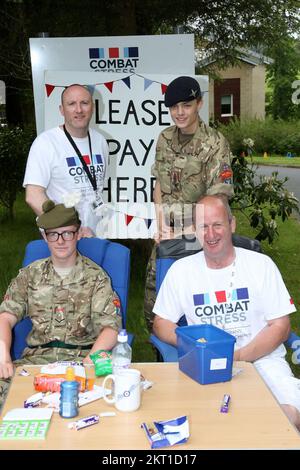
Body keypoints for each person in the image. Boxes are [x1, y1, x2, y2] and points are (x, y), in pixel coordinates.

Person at [153, 194, 300, 430]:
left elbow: (281, 326)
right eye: (203, 227)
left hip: (263, 360)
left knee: (288, 417)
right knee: (203, 427)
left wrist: (239, 356)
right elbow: (161, 323)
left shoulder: (261, 265)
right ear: (195, 230)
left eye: (217, 225)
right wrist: (194, 343)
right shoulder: (181, 271)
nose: (211, 235)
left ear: (231, 224)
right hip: (203, 364)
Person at [0, 200, 121, 411]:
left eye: (67, 233)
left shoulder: (96, 277)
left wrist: (92, 360)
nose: (61, 241)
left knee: (108, 403)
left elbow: (111, 327)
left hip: (82, 362)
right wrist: (3, 356)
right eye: (53, 234)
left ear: (77, 234)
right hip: (35, 364)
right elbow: (5, 317)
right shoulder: (30, 275)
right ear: (44, 237)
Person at [144, 76, 234, 332]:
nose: (179, 112)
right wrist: (161, 225)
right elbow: (159, 185)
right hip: (165, 239)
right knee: (155, 310)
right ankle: (163, 365)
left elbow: (219, 201)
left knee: (196, 311)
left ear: (199, 103)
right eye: (173, 107)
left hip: (201, 242)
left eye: (186, 105)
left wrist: (182, 233)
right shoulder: (164, 138)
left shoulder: (215, 143)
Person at [23, 83, 108, 238]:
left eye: (84, 103)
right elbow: (33, 195)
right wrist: (69, 228)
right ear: (62, 110)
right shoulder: (46, 143)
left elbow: (98, 189)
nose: (79, 110)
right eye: (71, 104)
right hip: (62, 238)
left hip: (95, 234)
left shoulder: (100, 141)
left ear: (93, 107)